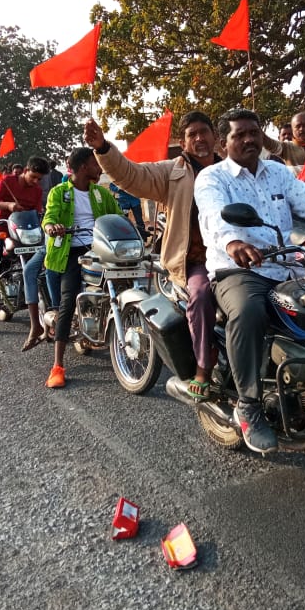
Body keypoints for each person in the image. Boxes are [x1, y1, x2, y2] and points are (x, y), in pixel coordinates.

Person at [194, 108, 305, 453]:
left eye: (254, 132)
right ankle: (249, 405)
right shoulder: (212, 178)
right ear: (224, 143)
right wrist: (233, 242)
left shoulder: (278, 173)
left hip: (288, 266)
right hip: (238, 269)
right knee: (249, 310)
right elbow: (212, 216)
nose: (250, 139)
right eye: (240, 135)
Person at [84, 111, 222, 397]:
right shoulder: (172, 173)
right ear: (183, 142)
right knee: (201, 294)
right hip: (196, 261)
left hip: (236, 256)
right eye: (191, 134)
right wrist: (103, 149)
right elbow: (131, 176)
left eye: (203, 132)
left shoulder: (231, 168)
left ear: (215, 136)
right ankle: (203, 369)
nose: (199, 138)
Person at [41, 147, 121, 388]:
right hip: (72, 252)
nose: (100, 167)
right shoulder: (59, 192)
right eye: (95, 163)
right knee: (67, 301)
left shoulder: (100, 193)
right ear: (85, 166)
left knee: (123, 284)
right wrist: (52, 227)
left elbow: (116, 216)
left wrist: (132, 227)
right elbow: (49, 217)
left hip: (100, 250)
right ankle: (57, 365)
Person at [0, 157, 50, 340]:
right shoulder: (7, 182)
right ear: (26, 170)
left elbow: (38, 213)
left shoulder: (37, 191)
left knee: (43, 268)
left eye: (39, 179)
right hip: (1, 232)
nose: (36, 182)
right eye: (33, 177)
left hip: (26, 236)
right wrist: (8, 205)